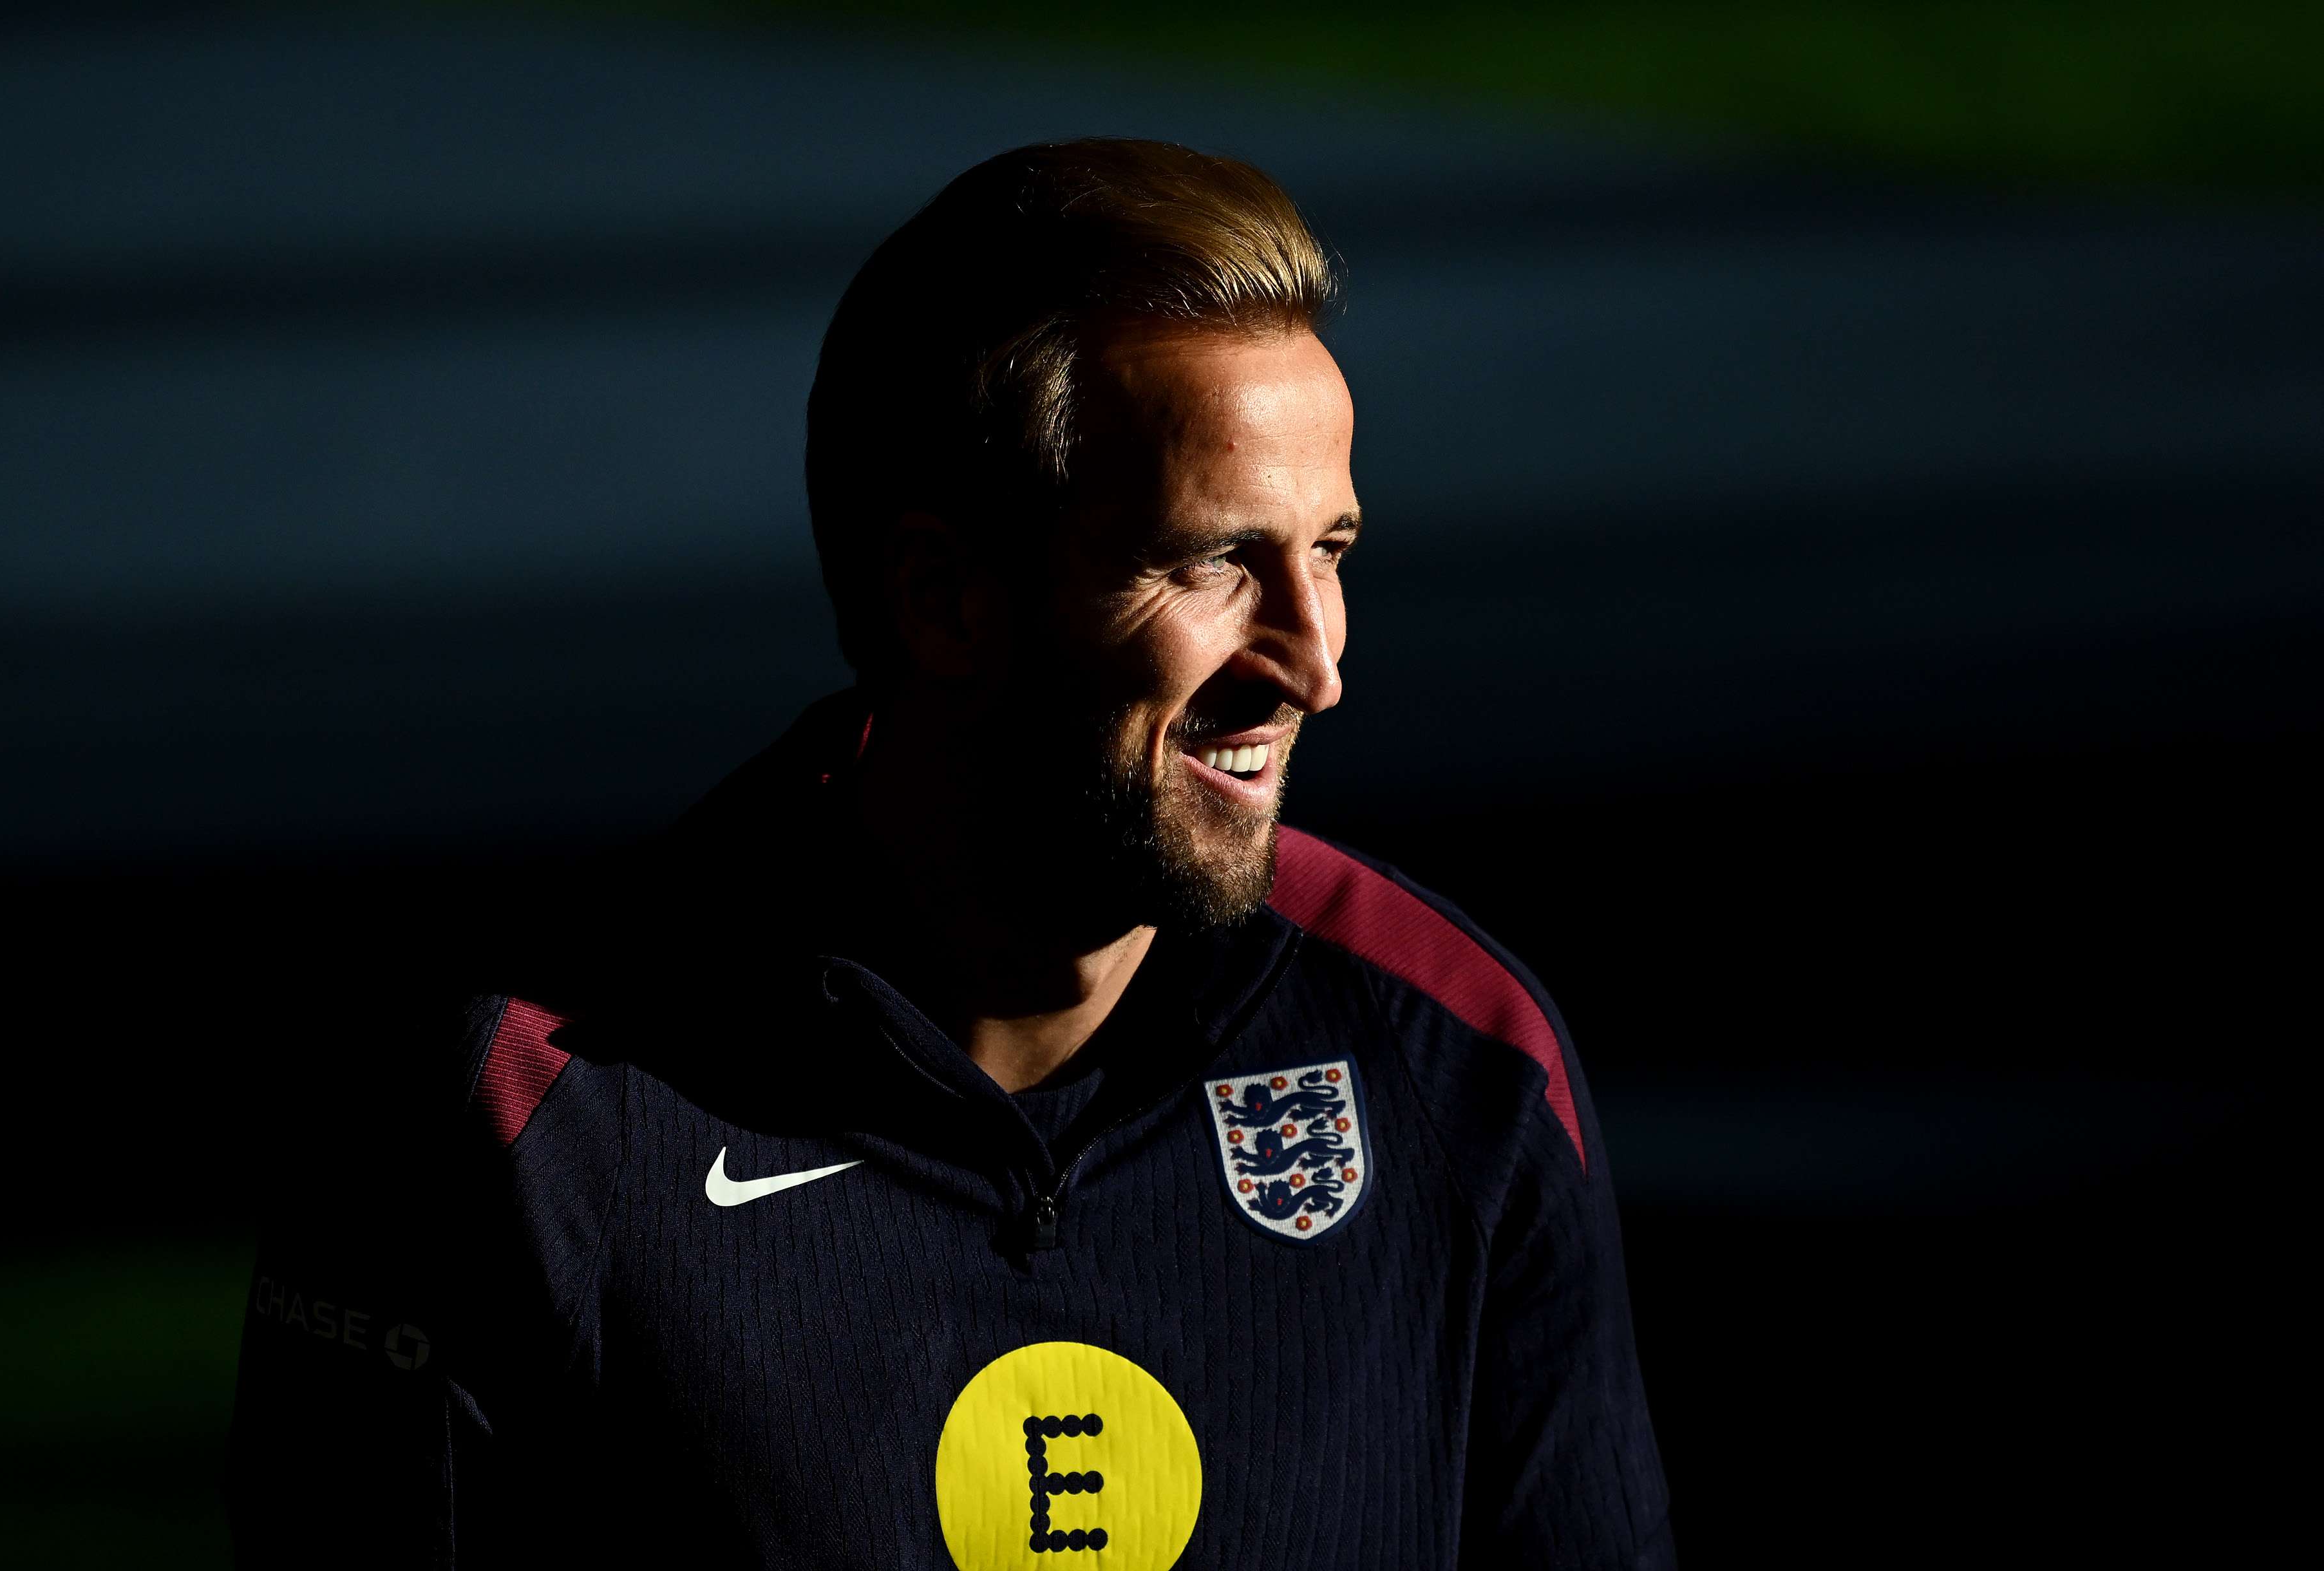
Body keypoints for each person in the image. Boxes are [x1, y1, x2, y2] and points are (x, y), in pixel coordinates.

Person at [226, 138, 1672, 1569]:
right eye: (1215, 560)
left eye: (1332, 553)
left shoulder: (1460, 1061)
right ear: (941, 597)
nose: (1315, 663)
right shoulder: (528, 1118)